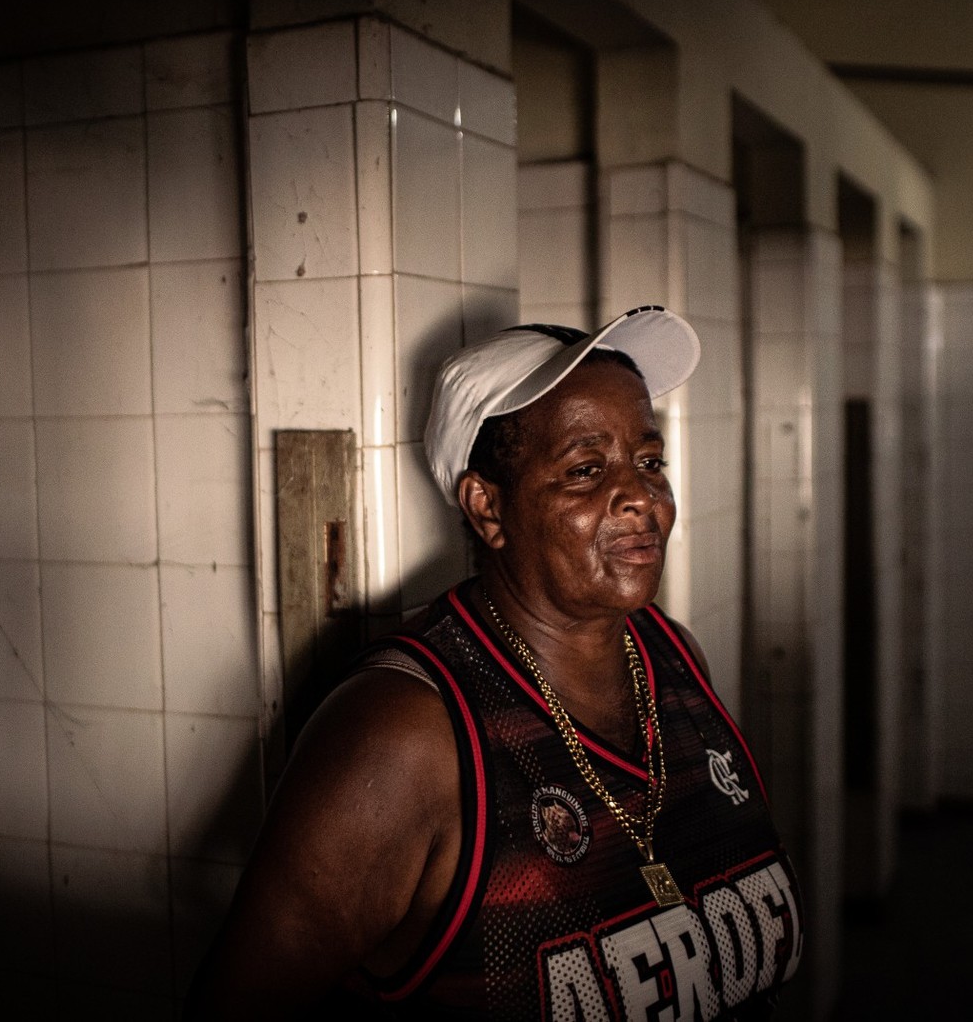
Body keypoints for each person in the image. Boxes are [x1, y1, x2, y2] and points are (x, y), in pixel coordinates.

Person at [188, 307, 802, 1020]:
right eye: (585, 469)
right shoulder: (405, 735)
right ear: (487, 507)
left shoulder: (673, 656)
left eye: (649, 460)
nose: (640, 495)